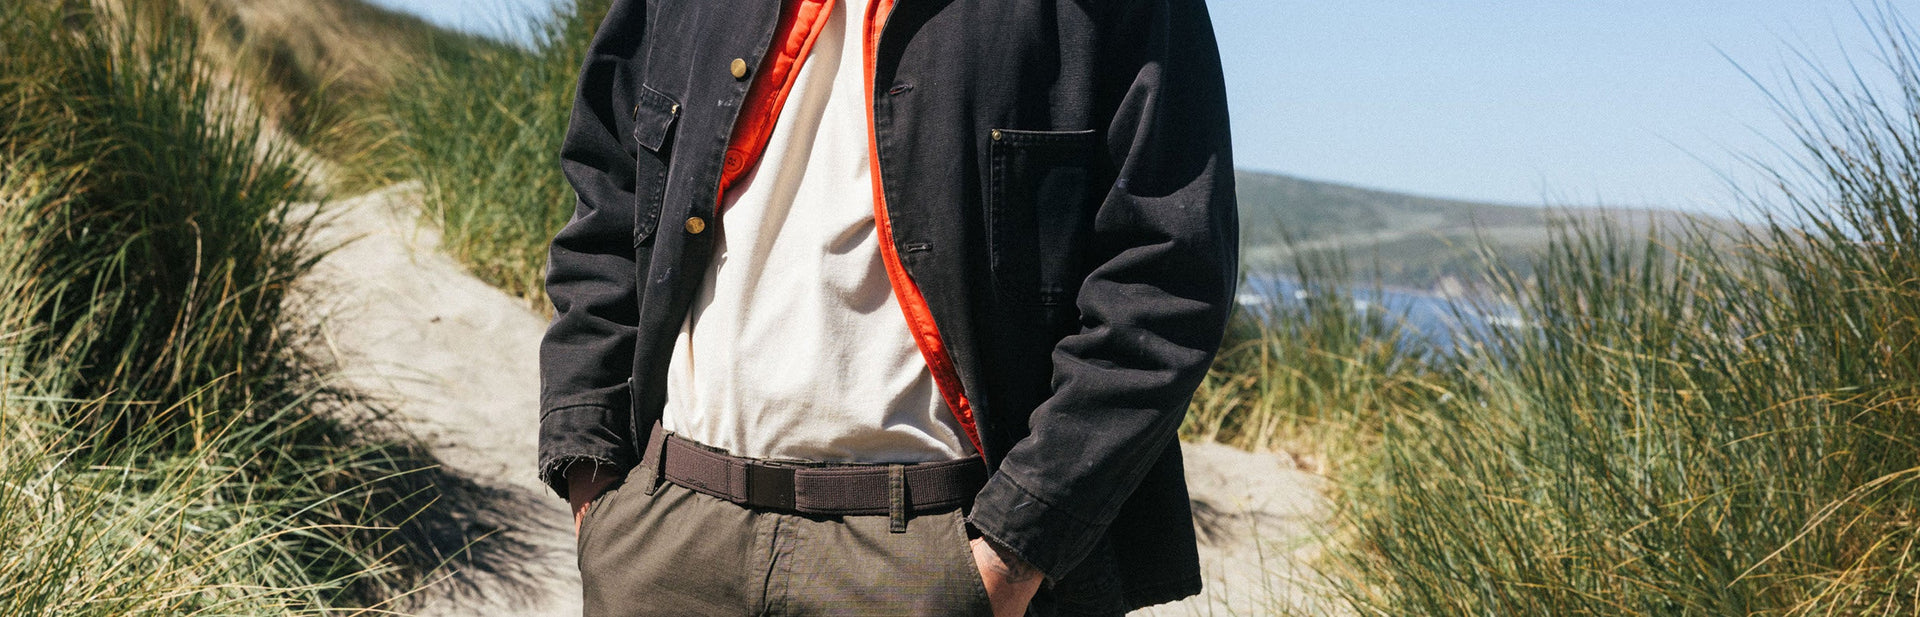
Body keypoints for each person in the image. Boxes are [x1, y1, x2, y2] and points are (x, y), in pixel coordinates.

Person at [537, 0, 1237, 614]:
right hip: (671, 541)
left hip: (927, 557)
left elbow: (1165, 275)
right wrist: (595, 492)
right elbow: (607, 192)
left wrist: (1009, 556)